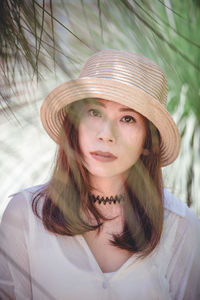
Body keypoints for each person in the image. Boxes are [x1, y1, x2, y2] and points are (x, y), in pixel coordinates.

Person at [0, 49, 200, 300]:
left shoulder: (181, 228)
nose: (106, 134)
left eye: (127, 118)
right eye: (95, 112)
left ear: (147, 141)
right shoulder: (26, 216)